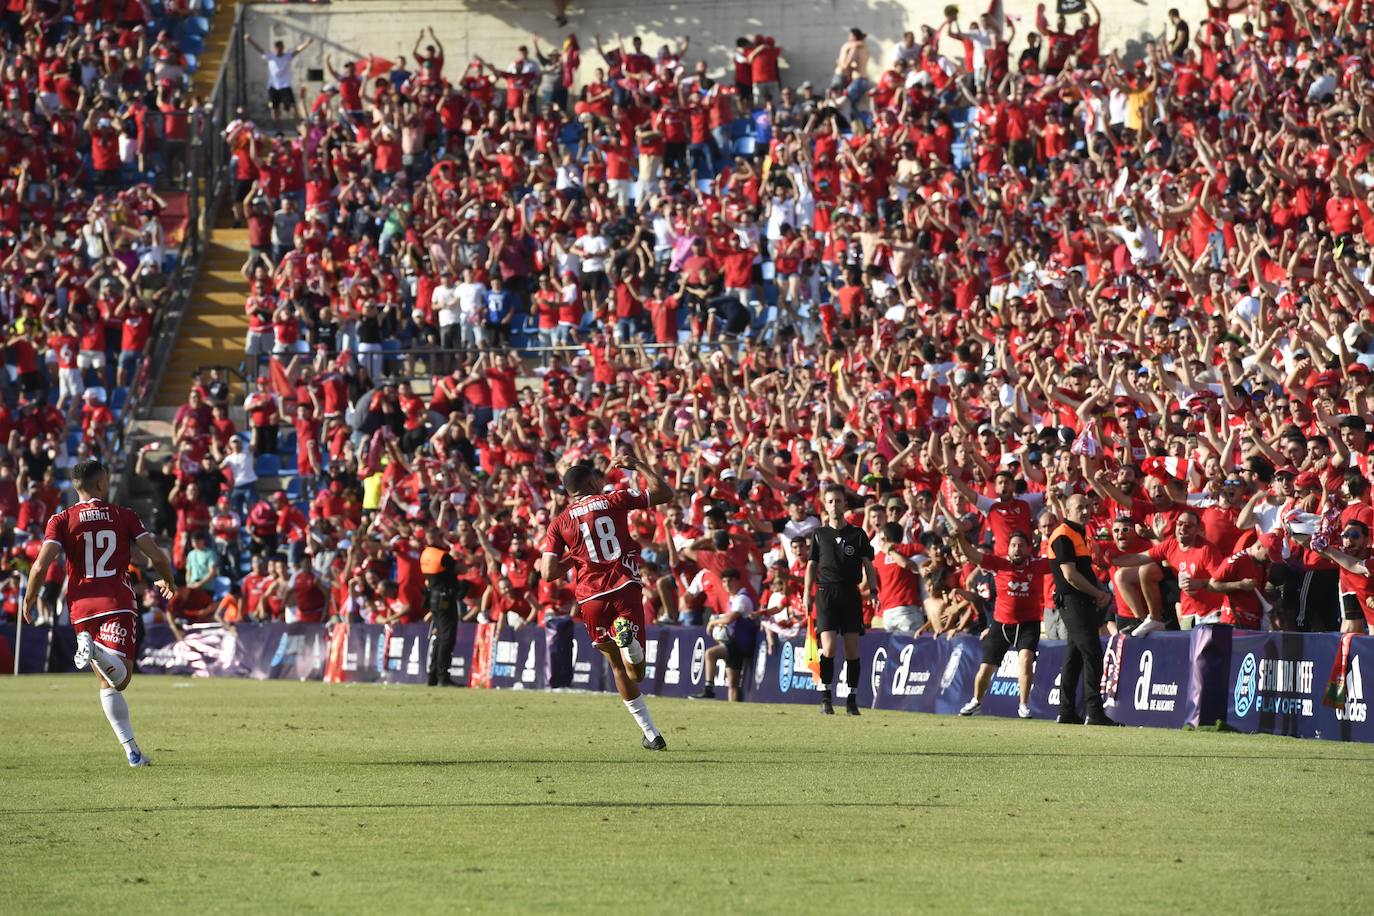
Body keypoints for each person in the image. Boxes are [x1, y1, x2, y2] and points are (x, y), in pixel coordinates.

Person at [22, 459, 176, 767]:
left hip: (81, 607)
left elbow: (41, 565)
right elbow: (157, 555)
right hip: (116, 601)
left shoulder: (61, 519)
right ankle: (94, 652)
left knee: (105, 682)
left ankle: (132, 753)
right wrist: (169, 580)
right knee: (120, 680)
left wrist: (30, 597)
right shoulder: (123, 515)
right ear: (101, 484)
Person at [538, 453, 673, 750]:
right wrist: (638, 465)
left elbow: (547, 572)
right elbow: (665, 492)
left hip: (590, 598)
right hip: (624, 586)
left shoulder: (559, 522)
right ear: (589, 482)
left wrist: (574, 556)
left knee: (617, 667)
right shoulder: (613, 500)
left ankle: (651, 734)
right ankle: (630, 644)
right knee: (636, 669)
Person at [947, 520, 1049, 720]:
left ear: (1029, 548)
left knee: (1026, 660)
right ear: (1008, 548)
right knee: (986, 669)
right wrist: (959, 538)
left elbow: (1062, 562)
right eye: (1013, 545)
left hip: (1028, 624)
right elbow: (971, 555)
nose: (1017, 549)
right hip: (1001, 625)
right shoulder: (998, 564)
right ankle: (976, 702)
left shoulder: (1038, 565)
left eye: (1021, 545)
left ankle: (1024, 705)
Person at [806, 485, 878, 716]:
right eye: (830, 501)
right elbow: (811, 566)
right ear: (824, 505)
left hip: (850, 593)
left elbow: (868, 563)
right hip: (826, 592)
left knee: (852, 649)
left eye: (838, 501)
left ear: (844, 504)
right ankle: (825, 696)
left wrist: (874, 589)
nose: (835, 505)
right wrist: (808, 593)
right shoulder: (819, 534)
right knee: (828, 647)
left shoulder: (857, 535)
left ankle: (851, 699)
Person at [1048, 495, 1115, 726]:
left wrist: (1096, 592)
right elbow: (1070, 575)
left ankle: (1066, 711)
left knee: (1074, 656)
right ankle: (1094, 712)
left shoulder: (1078, 534)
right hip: (1072, 600)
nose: (1085, 511)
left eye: (1087, 507)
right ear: (1067, 510)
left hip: (1081, 601)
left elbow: (1083, 572)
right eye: (1080, 508)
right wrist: (1098, 594)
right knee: (1092, 652)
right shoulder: (1064, 535)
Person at [421, 527, 464, 687]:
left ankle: (433, 675)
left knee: (439, 636)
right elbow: (460, 569)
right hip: (445, 597)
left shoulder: (425, 554)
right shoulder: (442, 556)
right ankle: (442, 676)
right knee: (447, 637)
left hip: (433, 596)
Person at [246, 35, 313, 120]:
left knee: (293, 107)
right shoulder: (270, 56)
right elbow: (259, 49)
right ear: (275, 48)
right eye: (277, 48)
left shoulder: (287, 57)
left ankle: (298, 126)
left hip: (285, 86)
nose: (278, 49)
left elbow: (298, 50)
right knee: (274, 109)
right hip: (273, 87)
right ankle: (278, 130)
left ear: (282, 48)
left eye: (280, 47)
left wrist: (307, 43)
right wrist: (250, 40)